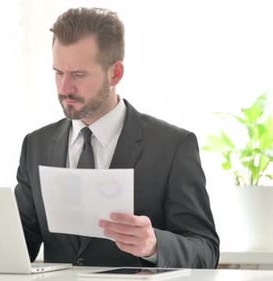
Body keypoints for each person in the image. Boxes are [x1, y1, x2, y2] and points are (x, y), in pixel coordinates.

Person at [14, 7, 219, 268]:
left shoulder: (172, 147)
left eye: (78, 74)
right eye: (58, 72)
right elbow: (19, 245)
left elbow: (206, 252)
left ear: (116, 73)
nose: (64, 87)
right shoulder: (36, 145)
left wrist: (155, 244)